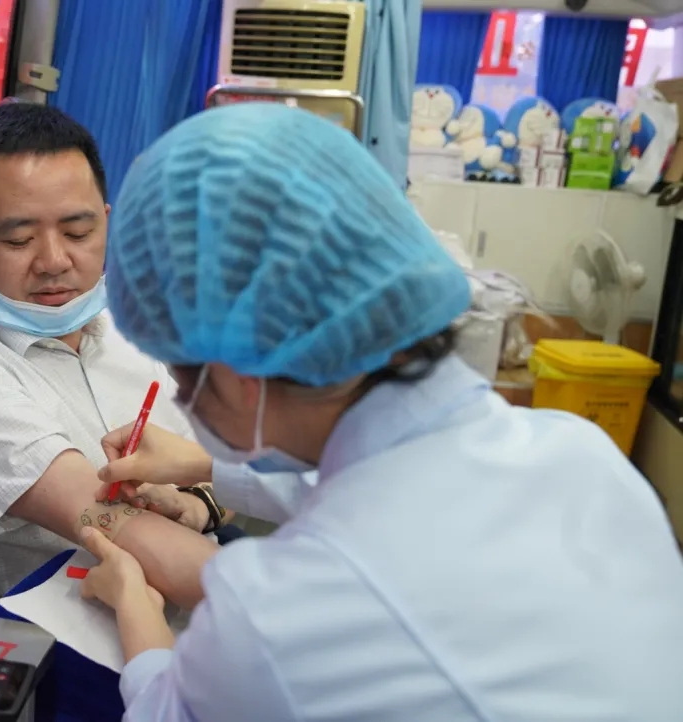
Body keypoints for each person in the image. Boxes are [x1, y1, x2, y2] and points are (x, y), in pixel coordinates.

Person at [77, 103, 683, 721]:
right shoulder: (581, 454)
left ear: (235, 371)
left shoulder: (277, 615)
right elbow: (393, 496)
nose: (184, 401)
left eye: (185, 380)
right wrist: (203, 465)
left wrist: (135, 606)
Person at [0, 102, 235, 605]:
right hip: (99, 630)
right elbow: (115, 525)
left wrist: (200, 504)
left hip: (210, 583)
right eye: (19, 240)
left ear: (106, 223)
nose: (55, 261)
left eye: (79, 233)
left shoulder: (127, 329)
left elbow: (221, 478)